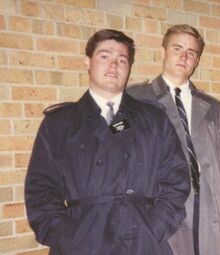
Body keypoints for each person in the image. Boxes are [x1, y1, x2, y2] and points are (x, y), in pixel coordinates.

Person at [25, 29, 190, 255]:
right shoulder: (60, 123)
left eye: (122, 60)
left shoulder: (153, 120)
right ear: (87, 62)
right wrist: (66, 236)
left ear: (129, 68)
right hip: (81, 244)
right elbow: (40, 189)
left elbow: (176, 182)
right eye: (105, 57)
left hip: (143, 243)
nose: (114, 65)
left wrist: (154, 228)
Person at [127, 24, 220, 255]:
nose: (184, 57)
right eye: (177, 48)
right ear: (163, 52)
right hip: (161, 209)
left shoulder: (211, 106)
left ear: (197, 60)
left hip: (209, 209)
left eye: (191, 52)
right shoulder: (135, 98)